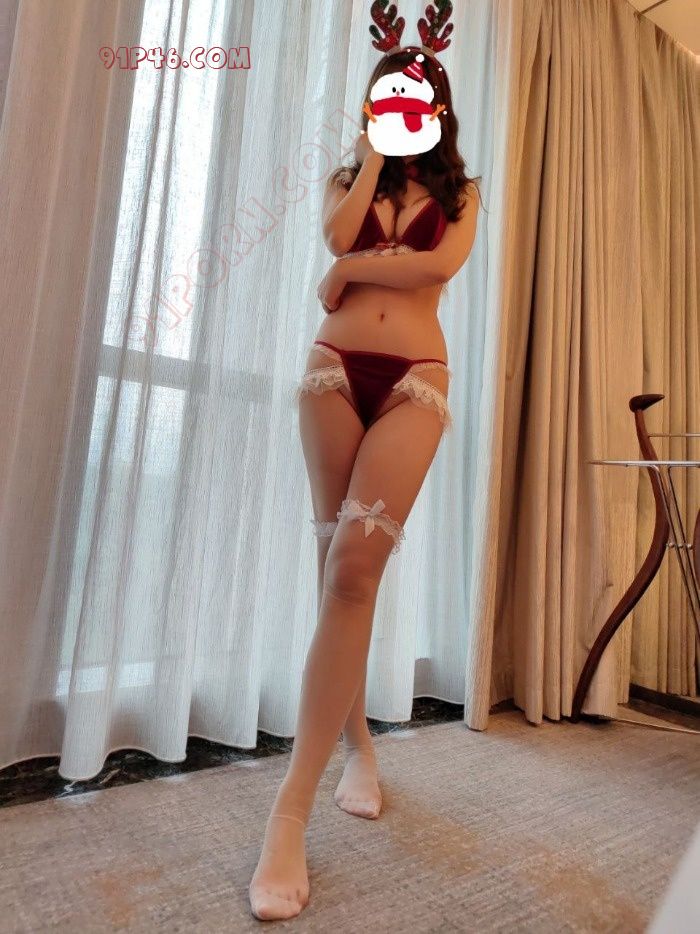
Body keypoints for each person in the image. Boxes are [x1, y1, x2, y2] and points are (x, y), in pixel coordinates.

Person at [249, 5, 481, 920]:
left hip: (415, 378)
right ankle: (356, 752)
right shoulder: (352, 176)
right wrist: (373, 164)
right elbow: (336, 235)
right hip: (332, 373)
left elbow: (434, 270)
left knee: (354, 569)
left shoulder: (463, 192)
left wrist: (351, 277)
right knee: (337, 579)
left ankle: (289, 806)